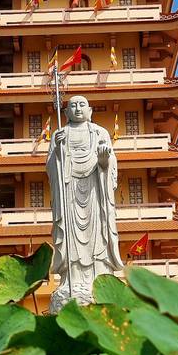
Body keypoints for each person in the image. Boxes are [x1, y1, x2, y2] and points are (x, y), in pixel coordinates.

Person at [46, 94, 123, 310]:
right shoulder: (59, 134)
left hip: (96, 191)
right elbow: (51, 169)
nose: (78, 109)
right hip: (69, 193)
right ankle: (72, 281)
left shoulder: (100, 133)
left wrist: (103, 160)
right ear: (67, 112)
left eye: (82, 105)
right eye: (73, 106)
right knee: (71, 237)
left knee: (97, 237)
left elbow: (110, 165)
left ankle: (98, 280)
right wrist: (58, 156)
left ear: (89, 110)